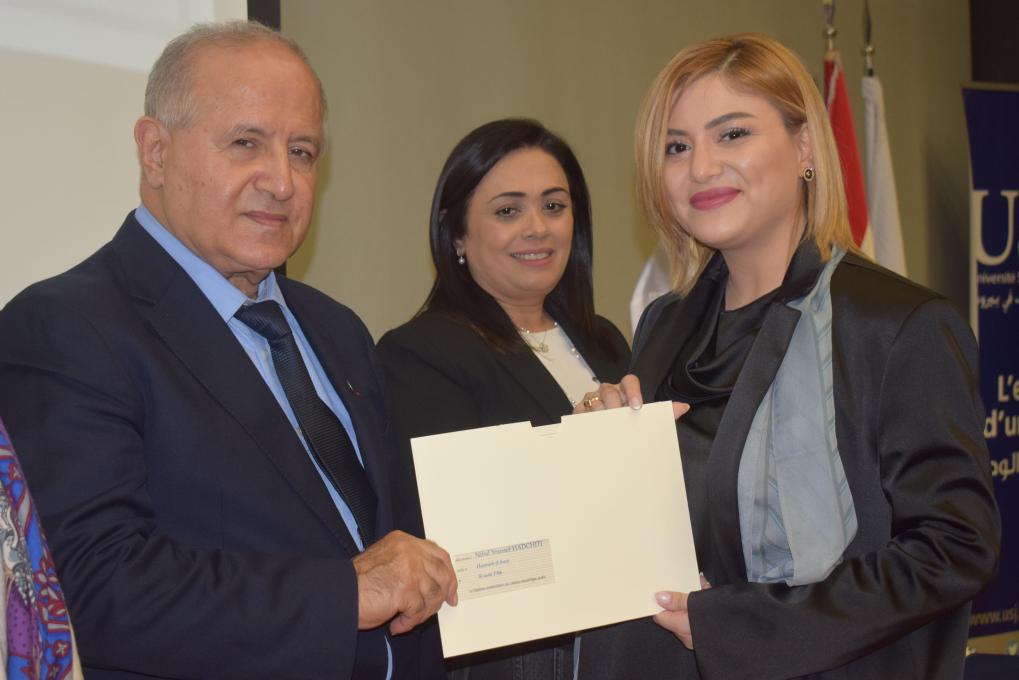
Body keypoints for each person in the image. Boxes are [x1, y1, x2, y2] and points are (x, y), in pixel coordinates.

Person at [0, 21, 456, 680]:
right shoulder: (63, 328)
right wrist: (343, 594)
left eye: (302, 151)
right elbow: (93, 587)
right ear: (155, 151)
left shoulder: (338, 331)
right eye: (246, 143)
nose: (282, 181)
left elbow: (396, 543)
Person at [576, 34, 1000, 679]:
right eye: (676, 147)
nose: (701, 168)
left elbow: (955, 549)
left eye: (733, 134)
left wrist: (738, 626)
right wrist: (601, 447)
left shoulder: (896, 326)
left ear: (804, 147)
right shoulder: (664, 324)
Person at [377, 118, 630, 680]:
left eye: (554, 206)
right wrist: (584, 442)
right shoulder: (420, 354)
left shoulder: (607, 341)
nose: (537, 228)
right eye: (508, 210)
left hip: (621, 643)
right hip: (514, 659)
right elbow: (457, 537)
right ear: (457, 235)